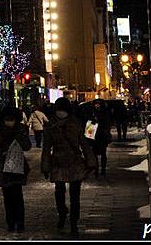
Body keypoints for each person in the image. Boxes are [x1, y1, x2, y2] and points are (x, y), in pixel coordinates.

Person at [42, 97, 97, 238]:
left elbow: (85, 144)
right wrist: (45, 166)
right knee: (60, 193)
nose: (60, 113)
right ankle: (62, 213)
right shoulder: (51, 125)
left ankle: (73, 222)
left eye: (62, 110)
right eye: (59, 110)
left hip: (73, 163)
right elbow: (46, 148)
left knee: (74, 195)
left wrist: (91, 161)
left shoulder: (76, 124)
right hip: (60, 163)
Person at [0, 106, 32, 232]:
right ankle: (11, 222)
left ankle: (20, 222)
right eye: (7, 119)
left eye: (11, 119)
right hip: (3, 167)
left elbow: (27, 146)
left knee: (17, 195)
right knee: (7, 197)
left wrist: (20, 137)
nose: (9, 122)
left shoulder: (20, 130)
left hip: (16, 166)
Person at [86, 100, 112, 177]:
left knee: (103, 153)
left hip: (102, 136)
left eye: (98, 104)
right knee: (94, 154)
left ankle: (103, 169)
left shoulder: (105, 113)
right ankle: (96, 169)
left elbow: (107, 124)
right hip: (94, 136)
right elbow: (89, 123)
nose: (97, 106)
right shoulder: (92, 113)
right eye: (96, 104)